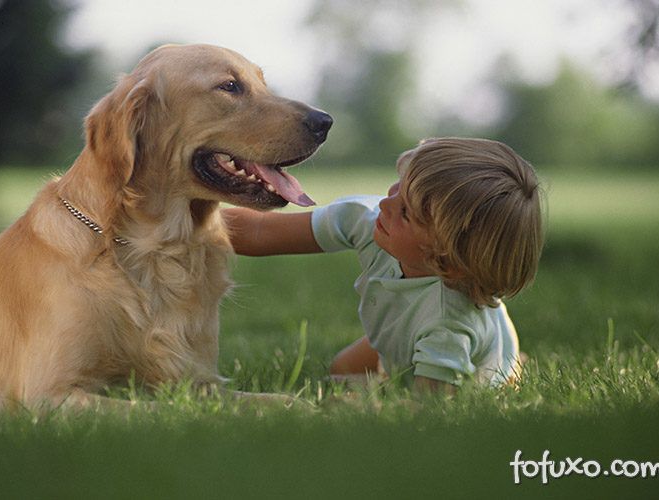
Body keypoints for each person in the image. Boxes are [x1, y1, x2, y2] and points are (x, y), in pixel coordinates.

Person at [223, 137, 544, 393]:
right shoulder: (370, 219)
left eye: (406, 212)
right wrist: (180, 219)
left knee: (402, 385)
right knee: (341, 370)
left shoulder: (448, 325)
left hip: (467, 365)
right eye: (396, 187)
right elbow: (259, 232)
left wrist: (356, 410)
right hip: (403, 330)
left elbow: (429, 414)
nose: (385, 204)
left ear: (447, 258)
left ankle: (507, 366)